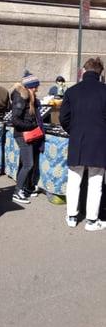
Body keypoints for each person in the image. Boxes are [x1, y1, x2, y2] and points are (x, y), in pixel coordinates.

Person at [60, 57, 106, 231]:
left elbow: (64, 118)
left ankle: (72, 216)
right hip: (100, 141)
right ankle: (92, 221)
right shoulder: (104, 90)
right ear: (100, 73)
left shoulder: (72, 91)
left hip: (77, 139)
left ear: (84, 72)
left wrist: (75, 130)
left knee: (74, 180)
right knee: (95, 182)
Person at [11, 70, 44, 204]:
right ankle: (17, 192)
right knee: (28, 164)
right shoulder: (21, 97)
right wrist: (31, 126)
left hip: (27, 134)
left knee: (25, 163)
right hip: (23, 134)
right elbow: (15, 119)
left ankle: (25, 188)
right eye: (36, 86)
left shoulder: (30, 97)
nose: (37, 89)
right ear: (30, 86)